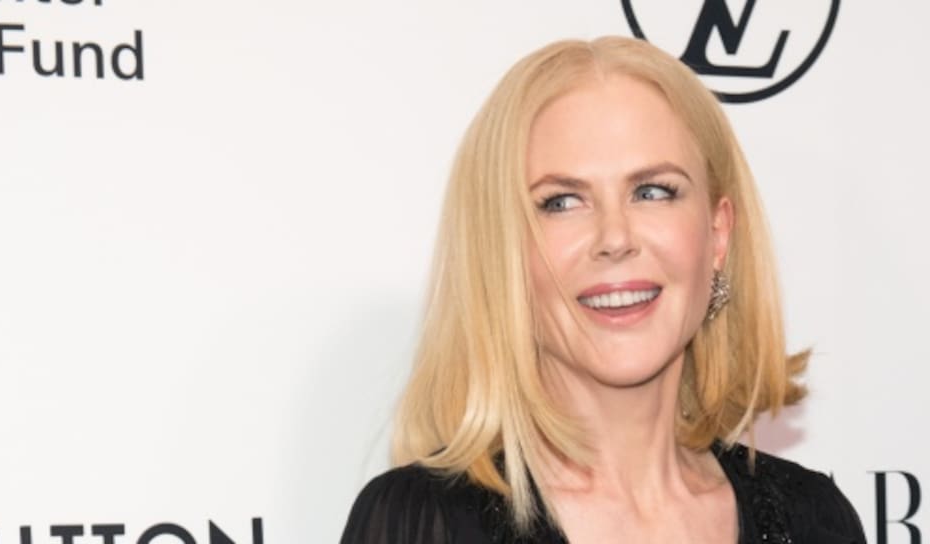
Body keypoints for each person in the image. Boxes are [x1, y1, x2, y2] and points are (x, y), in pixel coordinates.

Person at [339, 36, 866, 544]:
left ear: (718, 233)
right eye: (561, 202)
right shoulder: (421, 523)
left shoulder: (816, 518)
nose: (615, 238)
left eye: (652, 191)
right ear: (502, 253)